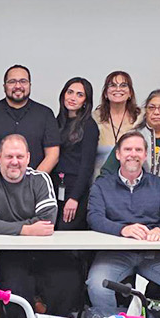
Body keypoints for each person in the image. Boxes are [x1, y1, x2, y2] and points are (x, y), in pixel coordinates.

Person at [84, 130, 160, 318]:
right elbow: (94, 218)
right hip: (115, 254)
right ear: (118, 154)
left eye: (138, 150)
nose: (132, 154)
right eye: (127, 149)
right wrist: (122, 230)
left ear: (145, 155)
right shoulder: (102, 185)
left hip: (155, 255)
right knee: (97, 284)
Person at [0, 135, 80, 318]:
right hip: (7, 253)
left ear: (28, 158)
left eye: (20, 157)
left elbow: (47, 220)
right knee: (16, 288)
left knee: (68, 279)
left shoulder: (40, 179)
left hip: (43, 251)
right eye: (9, 156)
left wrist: (5, 226)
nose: (14, 162)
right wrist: (26, 229)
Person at [100, 89, 160, 226]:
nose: (156, 112)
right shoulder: (131, 138)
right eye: (151, 107)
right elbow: (107, 172)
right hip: (129, 214)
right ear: (145, 112)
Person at [0, 65, 59, 173]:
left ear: (30, 85)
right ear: (4, 86)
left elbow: (53, 154)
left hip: (35, 182)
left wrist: (35, 179)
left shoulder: (45, 114)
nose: (18, 86)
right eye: (12, 82)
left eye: (23, 81)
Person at [53, 77, 100, 231]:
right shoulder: (57, 121)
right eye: (70, 92)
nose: (73, 98)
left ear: (85, 101)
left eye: (80, 95)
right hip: (55, 186)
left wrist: (74, 198)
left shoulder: (89, 126)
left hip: (75, 189)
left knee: (66, 233)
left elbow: (87, 166)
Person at [93, 71, 142, 170]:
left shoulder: (141, 117)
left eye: (123, 85)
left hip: (133, 176)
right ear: (105, 93)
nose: (118, 89)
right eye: (113, 85)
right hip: (100, 177)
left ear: (130, 93)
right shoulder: (94, 118)